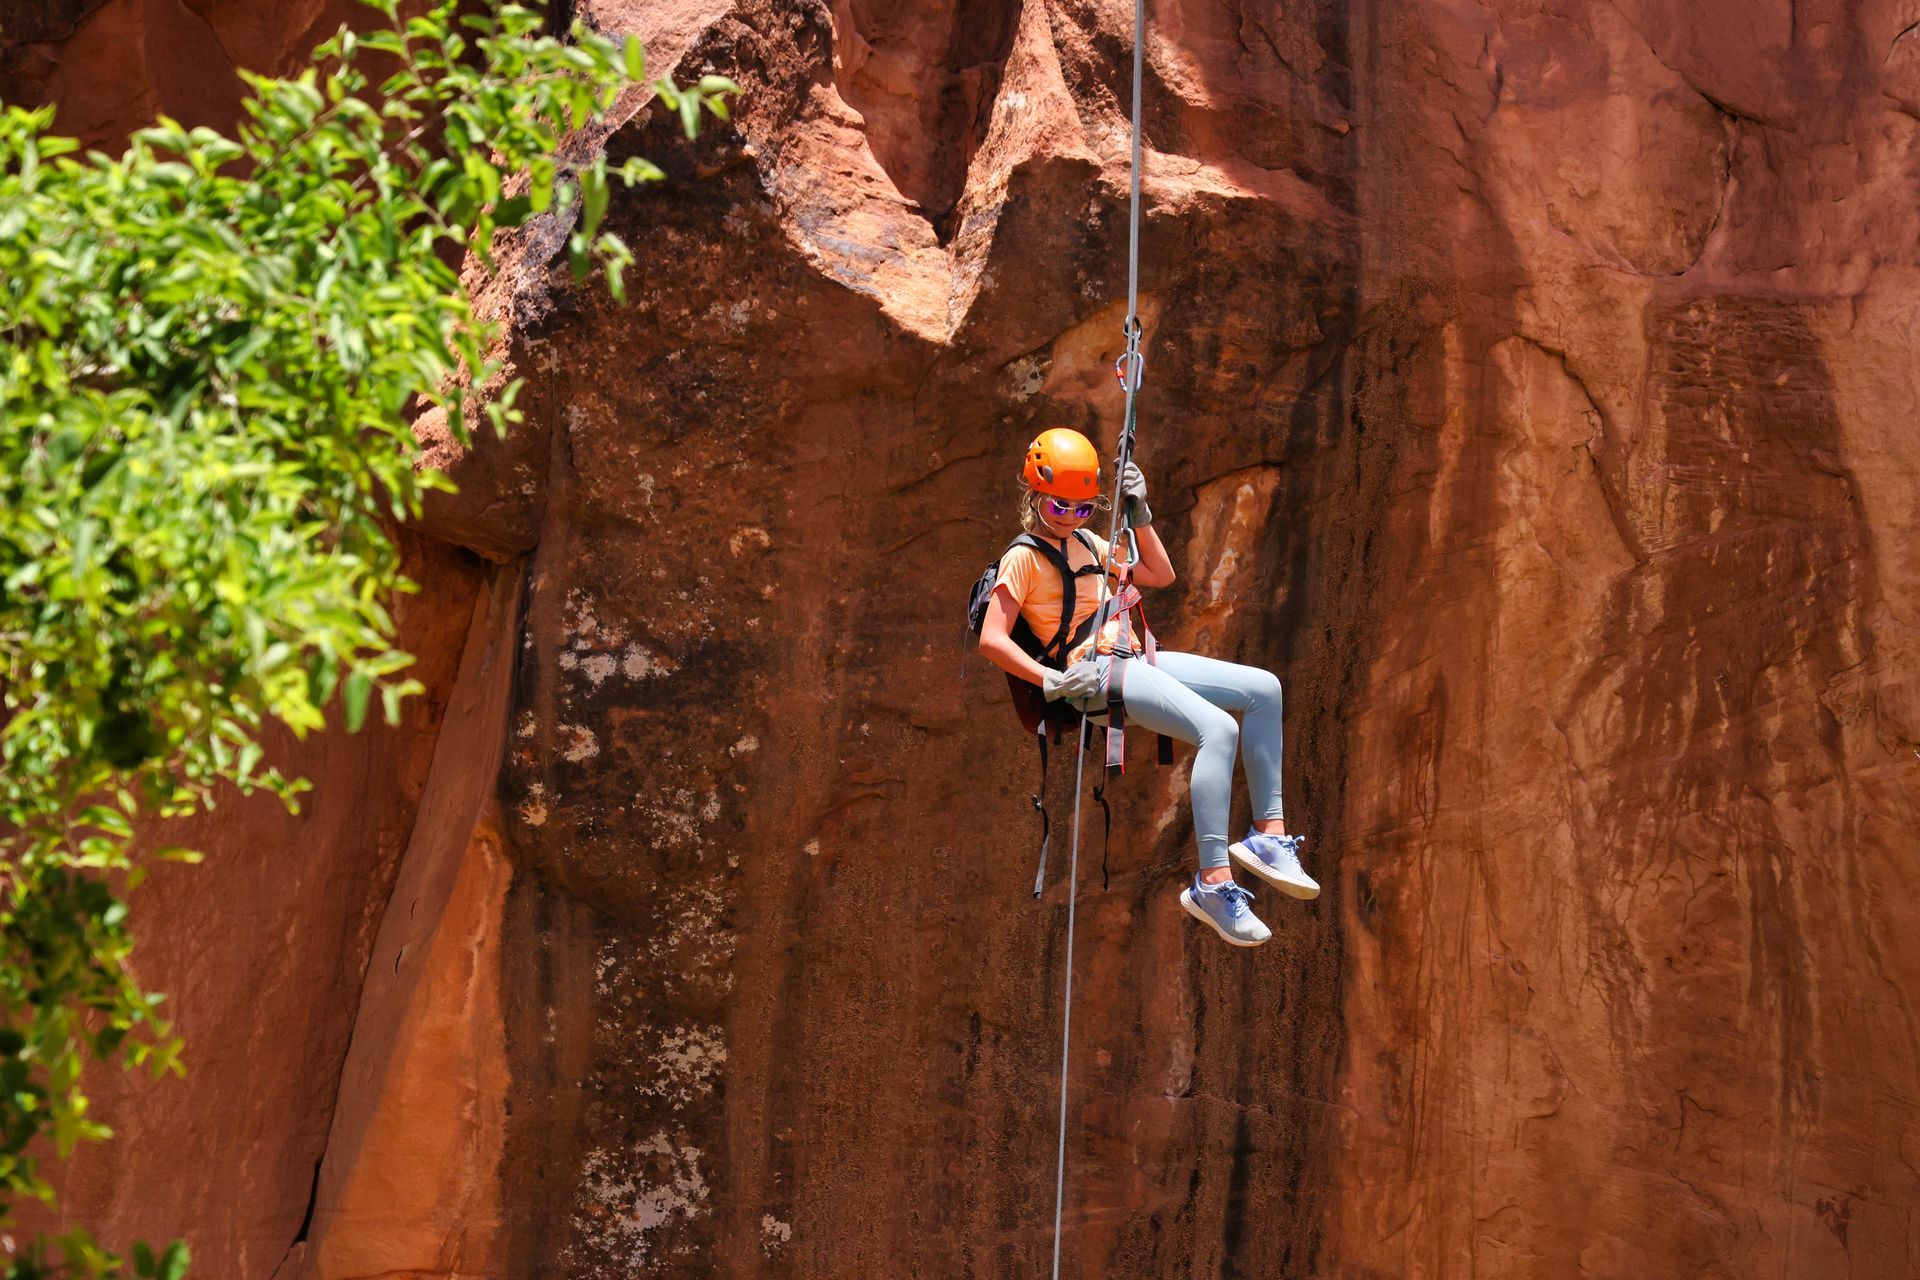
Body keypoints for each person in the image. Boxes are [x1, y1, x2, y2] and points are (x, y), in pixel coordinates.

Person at [975, 428, 1317, 946]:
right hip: (1092, 676)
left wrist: (1140, 514)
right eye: (1058, 507)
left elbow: (1160, 573)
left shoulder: (1090, 542)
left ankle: (1269, 838)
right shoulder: (1022, 558)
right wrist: (1052, 679)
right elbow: (991, 639)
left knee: (1264, 689)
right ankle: (1211, 882)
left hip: (1133, 658)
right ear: (1035, 498)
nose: (1071, 517)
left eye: (1083, 508)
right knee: (1217, 729)